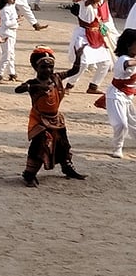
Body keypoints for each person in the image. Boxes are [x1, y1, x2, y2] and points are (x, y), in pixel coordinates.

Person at [18, 46, 86, 186]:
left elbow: (74, 71)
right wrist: (28, 88)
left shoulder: (56, 78)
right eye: (44, 67)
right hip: (40, 120)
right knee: (39, 146)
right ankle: (29, 174)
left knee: (63, 144)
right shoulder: (33, 83)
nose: (48, 70)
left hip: (56, 119)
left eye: (51, 67)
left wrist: (78, 56)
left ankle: (67, 168)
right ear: (36, 67)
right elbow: (18, 89)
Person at [66, 0, 114, 93]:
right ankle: (69, 85)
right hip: (83, 36)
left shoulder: (97, 3)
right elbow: (89, 16)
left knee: (105, 63)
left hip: (96, 36)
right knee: (83, 63)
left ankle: (93, 86)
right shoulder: (84, 5)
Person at [103, 30, 136, 159]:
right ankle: (117, 147)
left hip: (128, 96)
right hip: (116, 96)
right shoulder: (123, 59)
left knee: (133, 122)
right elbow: (128, 64)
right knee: (121, 124)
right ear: (129, 45)